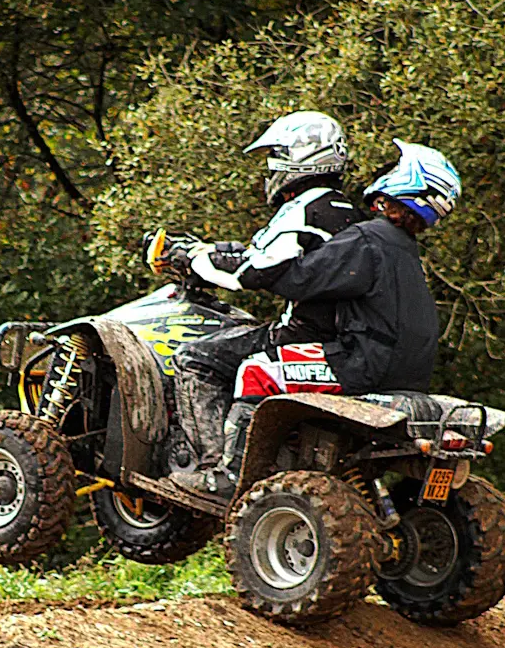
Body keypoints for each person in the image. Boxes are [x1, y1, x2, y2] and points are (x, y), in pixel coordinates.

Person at [166, 137, 462, 498]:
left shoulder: (369, 238)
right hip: (405, 373)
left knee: (257, 370)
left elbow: (296, 278)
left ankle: (224, 478)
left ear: (404, 184)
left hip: (361, 364)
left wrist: (216, 259)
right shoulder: (402, 247)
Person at [150, 111, 365, 498]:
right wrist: (210, 250)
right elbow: (264, 254)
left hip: (302, 334)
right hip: (345, 337)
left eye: (276, 155)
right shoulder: (347, 212)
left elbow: (252, 271)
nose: (269, 168)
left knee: (196, 358)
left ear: (298, 158)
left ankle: (218, 472)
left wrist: (193, 259)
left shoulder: (304, 208)